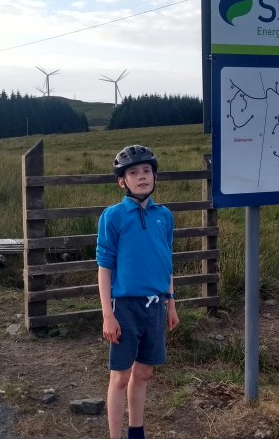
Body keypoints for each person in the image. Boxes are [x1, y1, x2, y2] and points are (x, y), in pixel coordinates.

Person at [97, 144, 179, 439]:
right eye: (133, 172)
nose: (142, 176)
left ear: (155, 177)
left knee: (144, 373)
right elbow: (104, 267)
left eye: (147, 171)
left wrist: (171, 303)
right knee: (120, 376)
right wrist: (108, 315)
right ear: (123, 182)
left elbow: (166, 261)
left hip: (156, 305)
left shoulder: (164, 215)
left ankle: (136, 432)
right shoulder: (113, 216)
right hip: (125, 307)